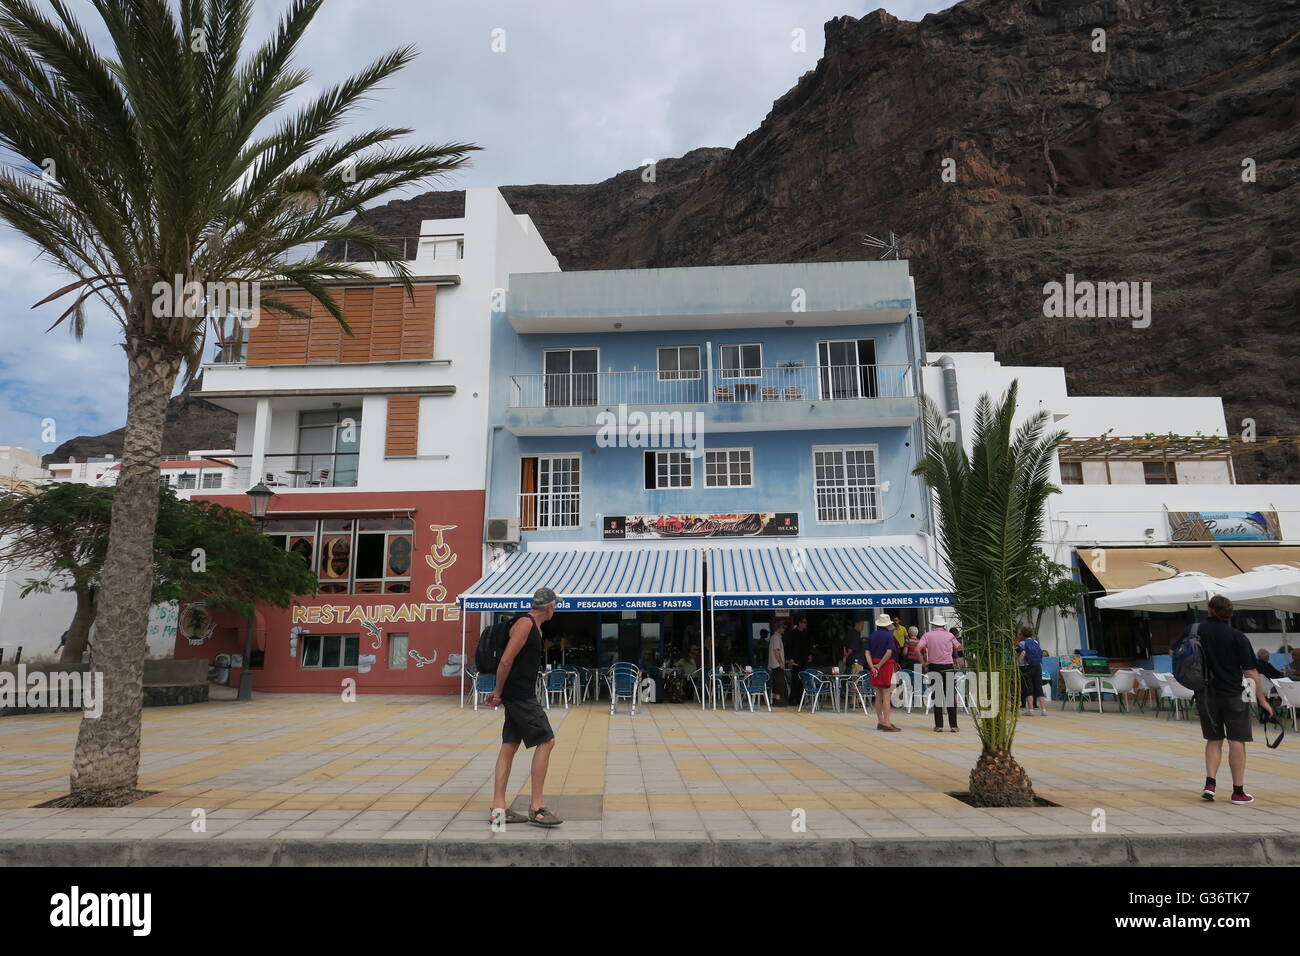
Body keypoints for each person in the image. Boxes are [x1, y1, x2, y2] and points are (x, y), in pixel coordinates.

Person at [486, 588, 563, 828]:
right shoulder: (525, 624)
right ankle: (537, 808)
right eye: (555, 605)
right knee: (547, 741)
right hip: (519, 695)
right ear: (549, 607)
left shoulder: (532, 625)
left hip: (517, 693)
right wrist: (497, 693)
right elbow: (506, 660)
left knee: (509, 745)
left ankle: (499, 811)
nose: (556, 609)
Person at [1190, 595, 1272, 804]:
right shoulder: (1237, 636)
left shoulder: (1195, 630)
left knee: (1213, 739)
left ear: (1209, 610)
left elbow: (1176, 653)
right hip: (1234, 694)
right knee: (1237, 741)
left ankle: (1210, 784)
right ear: (1231, 614)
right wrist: (1262, 700)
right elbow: (1251, 672)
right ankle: (1238, 792)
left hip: (1206, 695)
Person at [919, 622, 962, 732]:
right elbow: (959, 647)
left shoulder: (927, 635)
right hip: (948, 666)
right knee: (950, 695)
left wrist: (923, 662)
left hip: (934, 666)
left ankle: (939, 725)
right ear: (943, 626)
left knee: (937, 695)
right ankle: (953, 725)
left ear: (933, 625)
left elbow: (917, 649)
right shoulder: (950, 635)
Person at [867, 613, 901, 731]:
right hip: (887, 666)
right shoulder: (889, 636)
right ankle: (887, 723)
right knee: (886, 696)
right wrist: (880, 665)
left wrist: (872, 666)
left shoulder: (872, 636)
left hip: (875, 666)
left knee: (878, 695)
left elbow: (867, 652)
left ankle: (880, 721)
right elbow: (889, 652)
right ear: (887, 625)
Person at [1016, 626, 1047, 716]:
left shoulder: (1021, 643)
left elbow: (1023, 653)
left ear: (1022, 634)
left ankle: (1030, 710)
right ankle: (1043, 710)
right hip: (1037, 666)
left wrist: (1018, 662)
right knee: (1039, 687)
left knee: (1028, 688)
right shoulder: (1035, 642)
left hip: (1026, 667)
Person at [767, 621, 788, 705]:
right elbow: (776, 650)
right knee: (780, 683)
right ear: (779, 628)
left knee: (776, 683)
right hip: (777, 664)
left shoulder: (773, 637)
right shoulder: (777, 637)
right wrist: (781, 662)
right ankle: (779, 701)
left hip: (773, 664)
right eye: (783, 628)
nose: (784, 630)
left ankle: (775, 700)